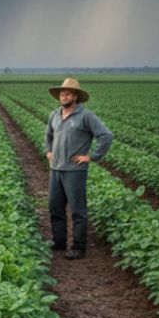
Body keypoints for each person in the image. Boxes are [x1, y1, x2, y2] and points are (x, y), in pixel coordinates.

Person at [45, 78, 113, 259]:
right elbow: (48, 135)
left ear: (75, 96)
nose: (63, 96)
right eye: (62, 93)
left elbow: (106, 136)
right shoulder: (54, 115)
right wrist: (49, 151)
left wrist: (91, 157)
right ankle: (59, 242)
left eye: (67, 93)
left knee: (77, 210)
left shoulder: (85, 116)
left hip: (75, 171)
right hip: (56, 169)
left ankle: (78, 246)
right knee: (55, 207)